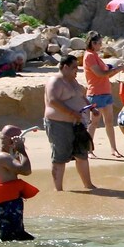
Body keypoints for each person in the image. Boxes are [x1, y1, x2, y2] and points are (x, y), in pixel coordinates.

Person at [44, 55, 98, 190]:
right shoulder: (55, 81)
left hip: (78, 124)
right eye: (74, 67)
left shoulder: (73, 81)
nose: (77, 70)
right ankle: (59, 189)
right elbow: (52, 101)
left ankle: (88, 185)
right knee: (60, 157)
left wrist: (91, 107)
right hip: (59, 124)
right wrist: (71, 113)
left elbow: (82, 96)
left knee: (82, 154)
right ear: (65, 67)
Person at [0, 125, 37, 241]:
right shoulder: (4, 157)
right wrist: (21, 150)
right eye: (20, 139)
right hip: (8, 204)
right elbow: (26, 170)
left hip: (2, 204)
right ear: (11, 140)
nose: (22, 142)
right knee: (12, 236)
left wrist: (16, 151)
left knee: (10, 235)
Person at [83, 31, 124, 159]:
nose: (101, 45)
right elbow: (100, 74)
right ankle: (88, 150)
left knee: (109, 121)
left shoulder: (95, 55)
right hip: (95, 93)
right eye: (100, 43)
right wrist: (117, 69)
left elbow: (106, 75)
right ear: (93, 43)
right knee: (94, 123)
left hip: (105, 92)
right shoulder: (89, 56)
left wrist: (116, 69)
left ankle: (114, 149)